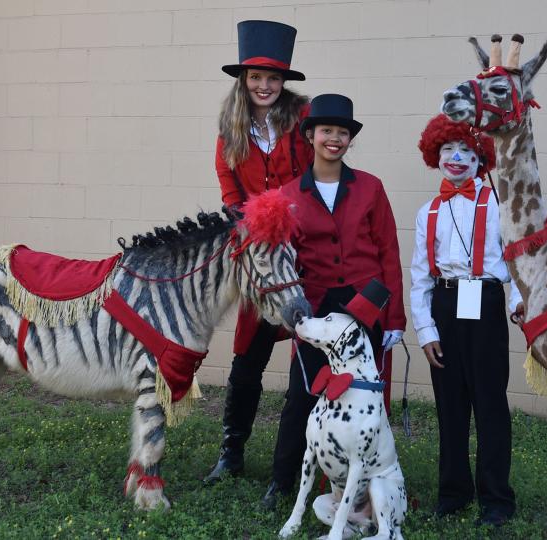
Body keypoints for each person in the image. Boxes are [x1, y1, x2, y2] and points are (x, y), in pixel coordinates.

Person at [261, 93, 406, 509]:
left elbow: (388, 253)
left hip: (366, 305)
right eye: (327, 131)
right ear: (311, 135)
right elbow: (281, 261)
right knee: (302, 395)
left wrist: (393, 316)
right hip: (317, 309)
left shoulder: (371, 188)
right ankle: (281, 481)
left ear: (349, 140)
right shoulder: (287, 194)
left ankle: (361, 483)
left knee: (364, 398)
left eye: (342, 132)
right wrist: (290, 313)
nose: (335, 139)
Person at [205, 19, 314, 484]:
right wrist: (254, 228)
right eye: (255, 78)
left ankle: (304, 454)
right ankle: (232, 451)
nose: (264, 86)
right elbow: (231, 198)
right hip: (259, 261)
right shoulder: (229, 134)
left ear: (283, 82)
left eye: (273, 78)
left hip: (305, 251)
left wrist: (282, 211)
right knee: (247, 358)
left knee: (309, 355)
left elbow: (315, 177)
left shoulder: (304, 120)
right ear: (243, 81)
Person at [409, 114, 524, 527]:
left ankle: (496, 498)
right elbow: (420, 275)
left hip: (485, 303)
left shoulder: (498, 203)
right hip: (445, 306)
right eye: (447, 150)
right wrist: (426, 330)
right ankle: (453, 492)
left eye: (466, 152)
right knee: (450, 405)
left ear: (480, 160)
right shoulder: (428, 212)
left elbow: (513, 260)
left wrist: (516, 302)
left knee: (490, 404)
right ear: (434, 156)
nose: (456, 158)